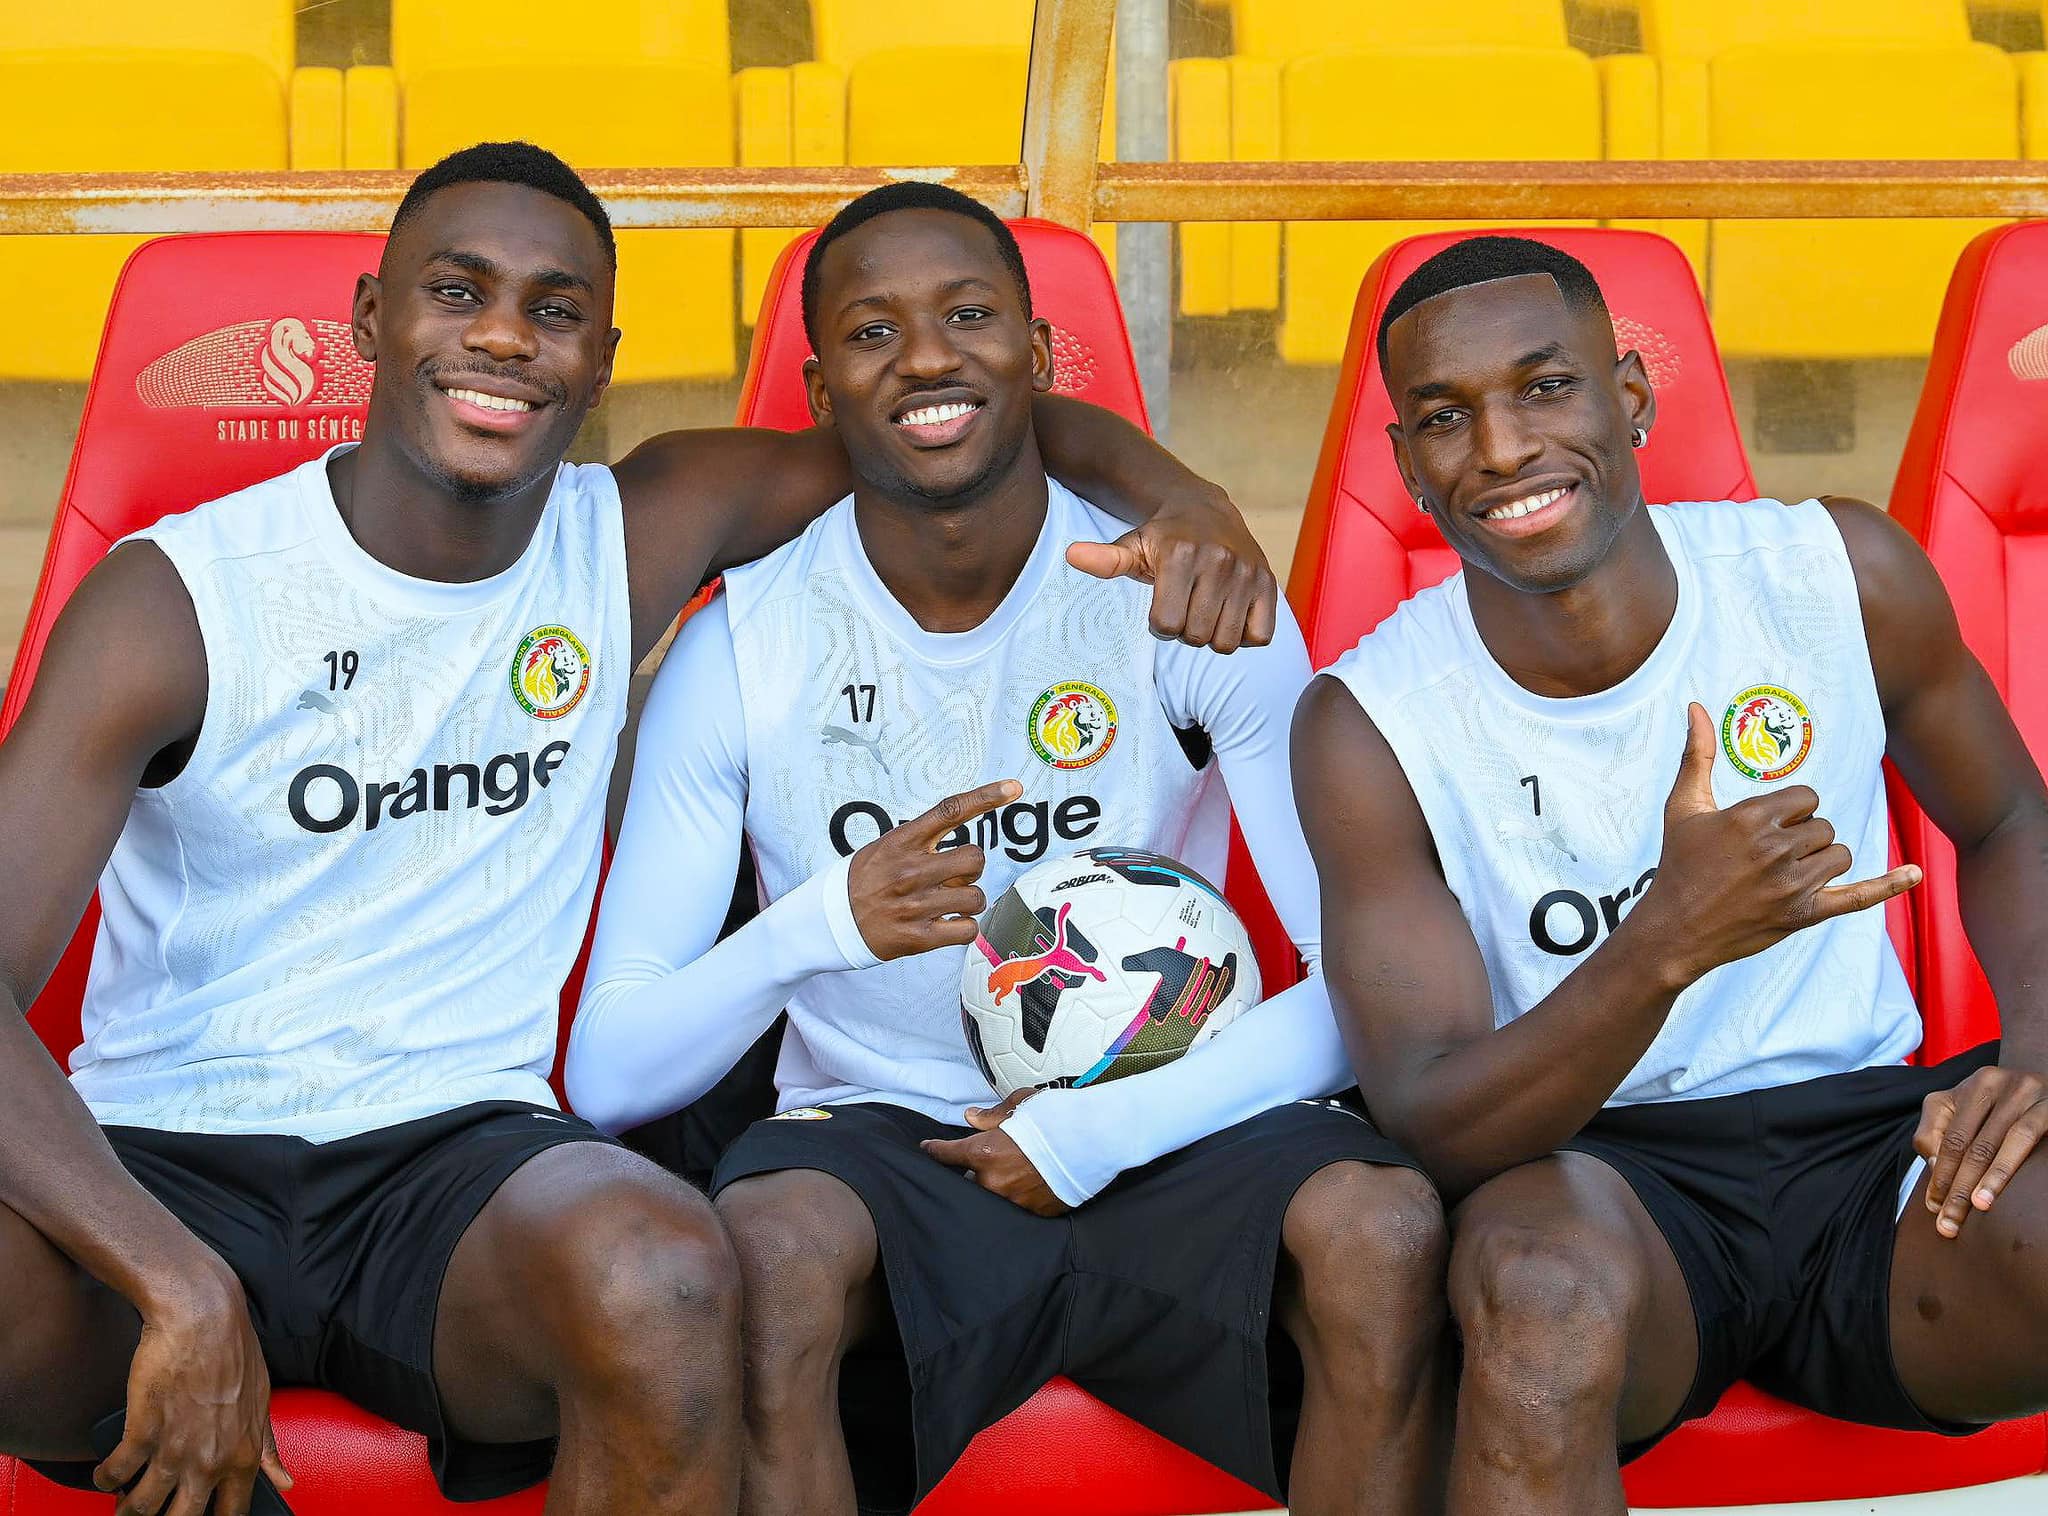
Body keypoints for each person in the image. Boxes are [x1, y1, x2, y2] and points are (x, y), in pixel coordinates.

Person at [0, 143, 1278, 1516]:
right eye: (456, 291)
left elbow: (957, 426)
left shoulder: (641, 529)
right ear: (372, 319)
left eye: (554, 310)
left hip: (456, 1165)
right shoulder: (178, 596)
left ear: (600, 360)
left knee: (665, 1273)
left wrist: (1182, 498)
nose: (503, 335)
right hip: (167, 1156)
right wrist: (174, 1278)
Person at [568, 181, 1449, 1516]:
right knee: (767, 1251)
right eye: (874, 331)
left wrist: (1102, 1130)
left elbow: (1369, 989)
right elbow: (612, 1072)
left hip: (1175, 1124)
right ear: (820, 386)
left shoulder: (1193, 600)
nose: (927, 357)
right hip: (877, 1137)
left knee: (1382, 1232)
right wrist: (825, 924)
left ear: (1038, 357)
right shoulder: (740, 643)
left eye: (969, 315)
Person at [1294, 234, 2048, 1515]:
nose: (1500, 447)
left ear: (1627, 397)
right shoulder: (1365, 723)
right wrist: (1665, 938)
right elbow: (1428, 1110)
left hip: (1874, 1143)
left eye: (1544, 387)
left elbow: (2011, 819)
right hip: (1602, 1177)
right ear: (1405, 463)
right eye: (1444, 417)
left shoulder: (1833, 577)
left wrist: (2034, 1050)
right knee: (1536, 1301)